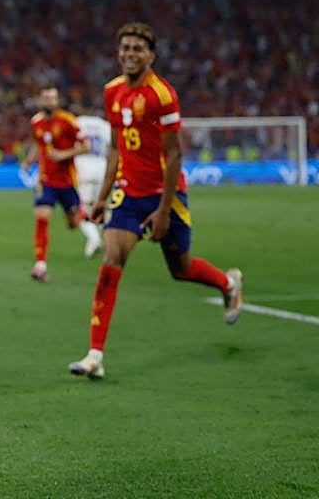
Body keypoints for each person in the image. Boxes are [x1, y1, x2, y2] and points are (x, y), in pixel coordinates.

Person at [68, 23, 242, 380]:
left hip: (166, 194)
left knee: (180, 269)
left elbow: (175, 155)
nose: (130, 54)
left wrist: (163, 212)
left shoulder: (162, 95)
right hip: (128, 192)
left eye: (137, 49)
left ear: (151, 55)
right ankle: (94, 355)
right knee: (112, 259)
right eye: (125, 47)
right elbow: (115, 149)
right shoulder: (112, 92)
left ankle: (227, 284)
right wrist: (102, 198)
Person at [20, 87, 100, 281]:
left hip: (67, 182)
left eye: (53, 98)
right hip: (46, 180)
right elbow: (39, 146)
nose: (49, 101)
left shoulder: (68, 121)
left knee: (73, 224)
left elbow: (87, 147)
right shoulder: (36, 122)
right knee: (42, 219)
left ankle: (86, 217)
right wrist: (29, 160)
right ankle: (40, 265)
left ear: (57, 101)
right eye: (46, 98)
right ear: (40, 100)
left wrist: (63, 154)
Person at [73, 110, 111, 221]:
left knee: (83, 206)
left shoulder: (76, 122)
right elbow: (112, 147)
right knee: (100, 205)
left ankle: (93, 237)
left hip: (82, 167)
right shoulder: (104, 125)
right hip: (101, 168)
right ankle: (104, 232)